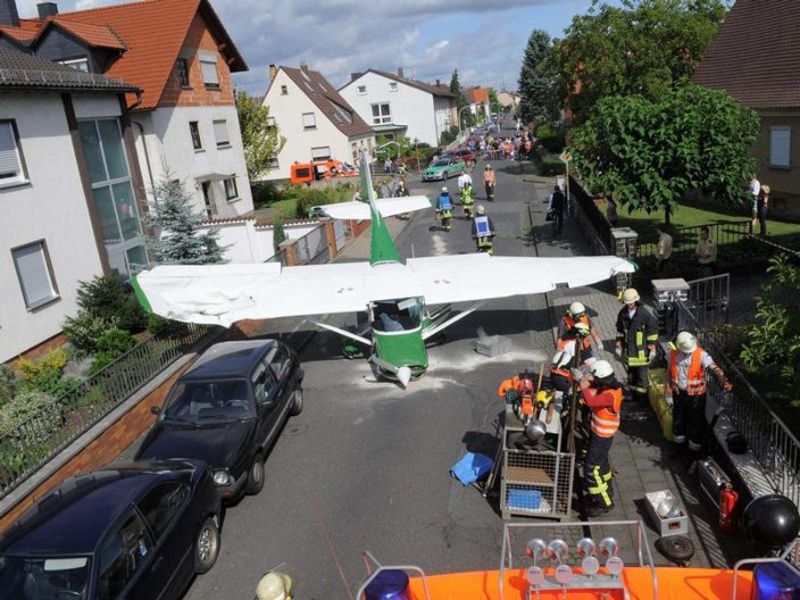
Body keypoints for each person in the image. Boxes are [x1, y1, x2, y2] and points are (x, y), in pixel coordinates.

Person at [664, 331, 733, 472]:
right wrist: (668, 388)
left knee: (695, 423)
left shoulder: (700, 354)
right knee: (678, 421)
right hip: (679, 393)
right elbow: (669, 371)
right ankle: (679, 447)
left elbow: (714, 367)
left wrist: (723, 380)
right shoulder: (672, 353)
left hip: (696, 396)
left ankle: (692, 453)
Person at [578, 360, 623, 516]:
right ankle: (606, 490)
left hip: (602, 436)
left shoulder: (609, 395)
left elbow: (591, 401)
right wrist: (588, 381)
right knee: (602, 465)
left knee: (591, 468)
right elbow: (597, 387)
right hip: (603, 435)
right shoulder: (612, 387)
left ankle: (604, 503)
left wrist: (583, 387)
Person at [615, 288, 659, 405]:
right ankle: (633, 396)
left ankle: (643, 400)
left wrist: (652, 347)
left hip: (642, 353)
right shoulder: (623, 313)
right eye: (627, 303)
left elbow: (653, 330)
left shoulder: (643, 314)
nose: (629, 305)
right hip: (630, 352)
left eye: (631, 303)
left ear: (636, 301)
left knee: (642, 377)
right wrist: (619, 343)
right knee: (631, 376)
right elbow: (620, 330)